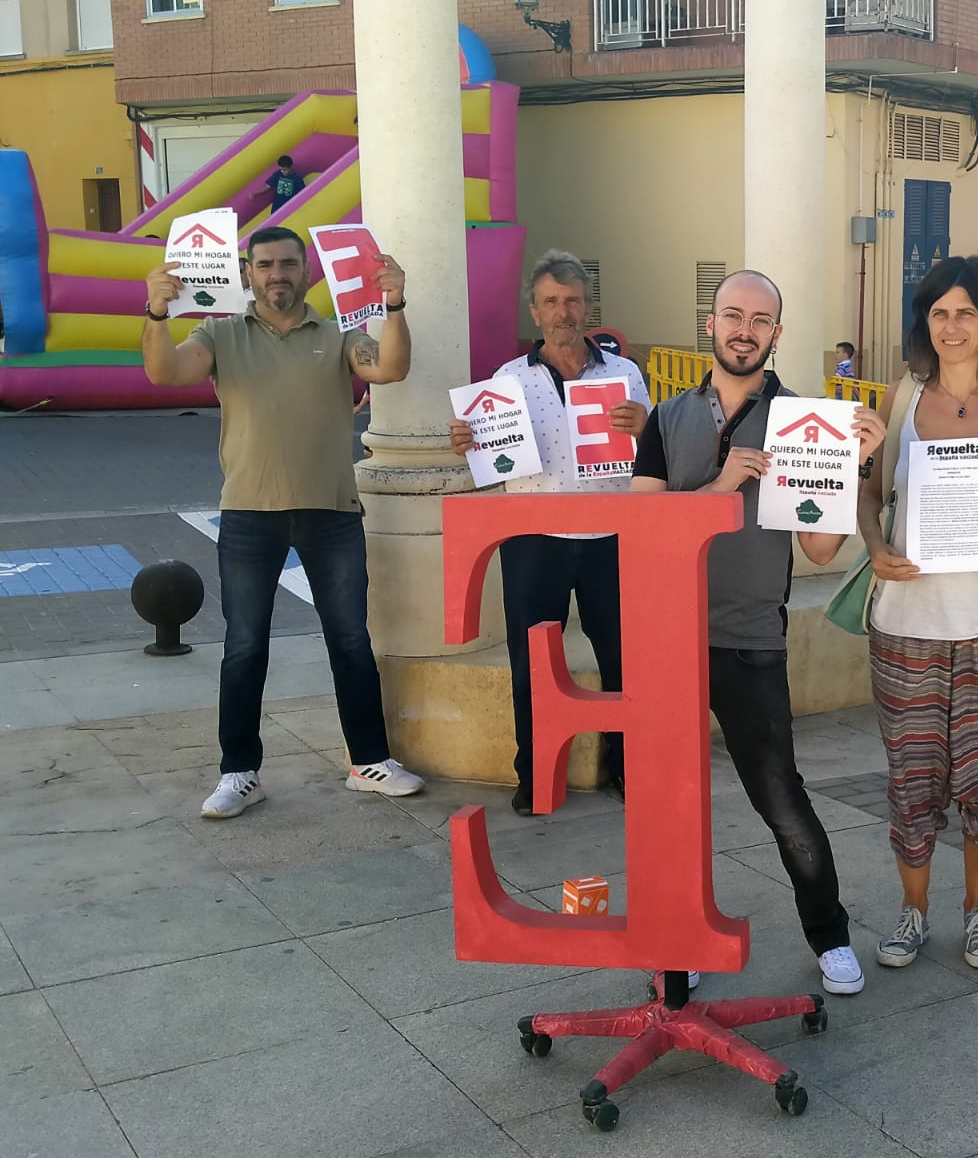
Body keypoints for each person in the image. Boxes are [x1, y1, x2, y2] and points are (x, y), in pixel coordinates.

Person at [631, 269, 884, 997]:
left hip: (749, 640)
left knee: (780, 798)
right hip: (667, 639)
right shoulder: (666, 416)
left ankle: (830, 936)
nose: (745, 329)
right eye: (732, 315)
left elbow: (822, 552)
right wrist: (717, 491)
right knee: (671, 806)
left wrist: (858, 467)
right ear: (711, 324)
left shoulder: (809, 422)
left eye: (760, 319)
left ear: (778, 333)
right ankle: (682, 942)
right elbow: (644, 535)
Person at [142, 226, 424, 819]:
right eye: (266, 264)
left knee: (350, 640)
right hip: (248, 513)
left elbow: (391, 369)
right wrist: (156, 311)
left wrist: (394, 305)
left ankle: (369, 760)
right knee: (244, 647)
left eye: (289, 264)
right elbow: (166, 373)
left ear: (306, 272)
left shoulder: (340, 335)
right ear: (247, 272)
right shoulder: (218, 333)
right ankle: (239, 772)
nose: (278, 274)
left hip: (331, 511)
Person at [858, 256, 978, 971]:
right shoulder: (901, 396)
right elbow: (870, 492)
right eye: (939, 311)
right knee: (912, 781)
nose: (951, 325)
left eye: (966, 312)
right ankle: (913, 913)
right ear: (925, 321)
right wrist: (875, 546)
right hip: (909, 619)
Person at [448, 250, 648, 812]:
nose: (564, 312)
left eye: (573, 301)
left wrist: (646, 426)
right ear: (534, 311)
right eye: (552, 302)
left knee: (622, 659)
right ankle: (535, 773)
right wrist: (469, 446)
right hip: (533, 540)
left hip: (612, 537)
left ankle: (625, 765)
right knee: (533, 661)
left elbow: (654, 460)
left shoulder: (624, 374)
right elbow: (493, 464)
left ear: (588, 307)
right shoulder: (507, 383)